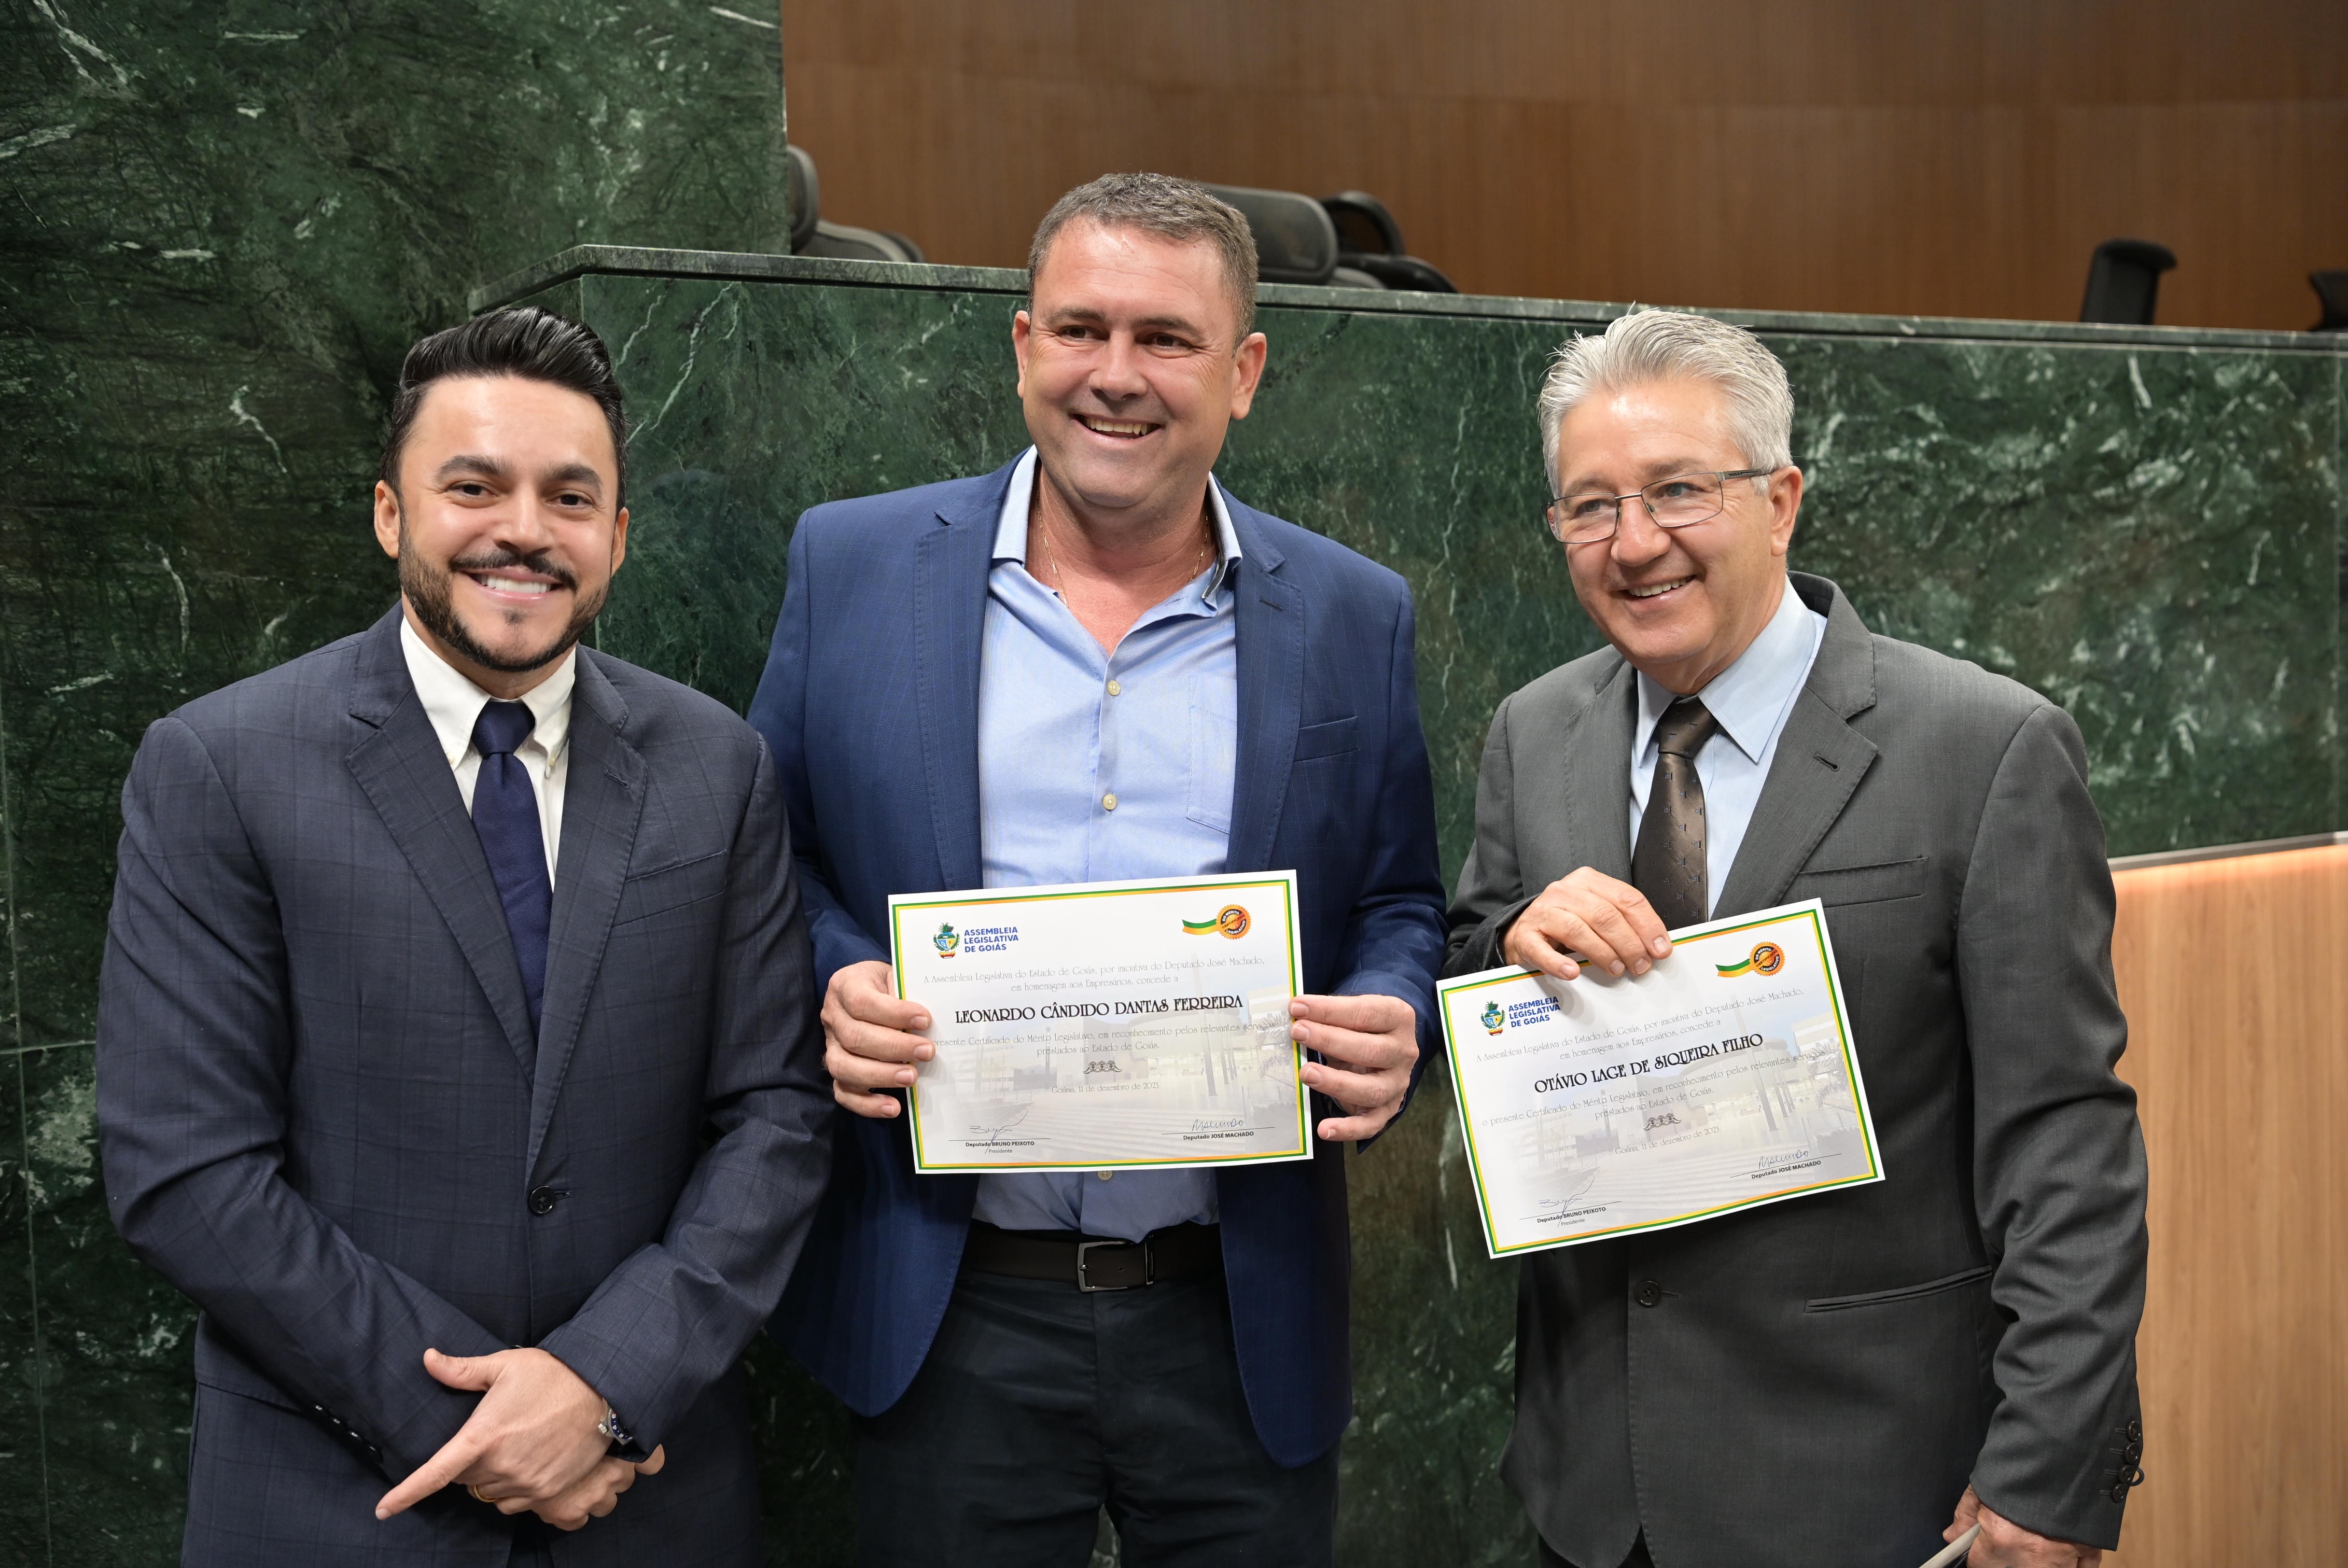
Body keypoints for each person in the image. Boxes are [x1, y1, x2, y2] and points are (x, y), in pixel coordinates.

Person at [746, 172, 1446, 1566]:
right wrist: (837, 977)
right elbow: (770, 856)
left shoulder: (1351, 614)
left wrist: (1395, 1011)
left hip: (1234, 1312)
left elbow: (1399, 899)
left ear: (1243, 372)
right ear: (1024, 347)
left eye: (1166, 338)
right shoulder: (855, 565)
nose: (1114, 375)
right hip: (949, 1303)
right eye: (1080, 329)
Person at [95, 306, 832, 1565]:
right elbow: (185, 1170)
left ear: (617, 536)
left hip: (648, 1496)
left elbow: (775, 1117)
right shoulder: (220, 767)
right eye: (474, 487)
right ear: (392, 515)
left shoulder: (718, 768)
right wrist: (493, 1427)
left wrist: (603, 1386)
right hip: (340, 1502)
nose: (524, 531)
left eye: (570, 497)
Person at [1446, 309, 2147, 1568]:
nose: (1634, 542)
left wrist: (2048, 1470)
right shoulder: (1530, 732)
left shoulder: (1983, 748)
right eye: (1591, 507)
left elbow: (2063, 1140)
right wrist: (1508, 945)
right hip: (1593, 1491)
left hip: (1867, 1484)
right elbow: (1465, 981)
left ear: (1778, 501)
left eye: (1677, 491)